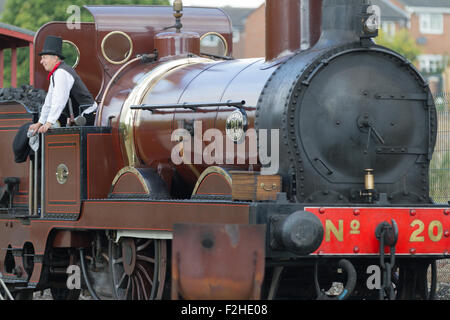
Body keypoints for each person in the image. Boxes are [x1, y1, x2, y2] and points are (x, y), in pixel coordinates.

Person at [29, 35, 97, 135]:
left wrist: (49, 123)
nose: (41, 61)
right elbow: (49, 101)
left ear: (55, 58)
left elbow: (59, 100)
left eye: (44, 58)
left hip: (87, 116)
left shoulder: (61, 73)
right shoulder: (56, 73)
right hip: (79, 117)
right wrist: (40, 122)